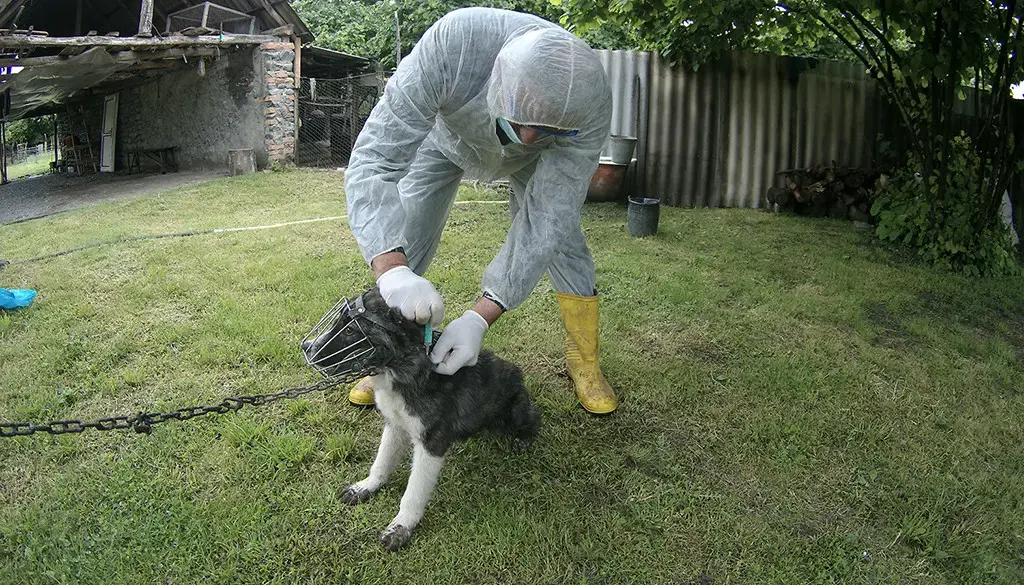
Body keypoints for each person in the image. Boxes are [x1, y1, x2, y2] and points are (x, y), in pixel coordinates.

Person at [344, 6, 617, 414]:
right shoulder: (455, 45)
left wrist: (479, 317)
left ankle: (586, 362)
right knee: (410, 228)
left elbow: (547, 219)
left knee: (564, 242)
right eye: (522, 119)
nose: (526, 137)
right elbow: (374, 160)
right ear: (498, 78)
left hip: (536, 166)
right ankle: (384, 356)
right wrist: (393, 270)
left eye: (546, 130)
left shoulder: (589, 102)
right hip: (447, 139)